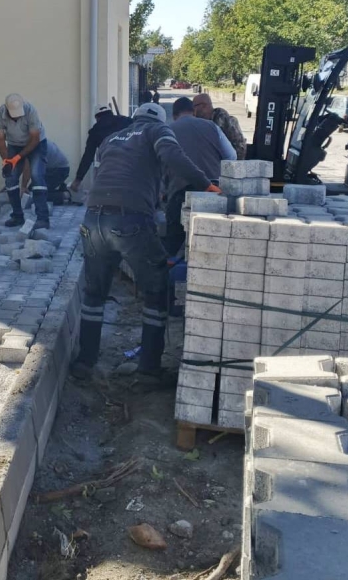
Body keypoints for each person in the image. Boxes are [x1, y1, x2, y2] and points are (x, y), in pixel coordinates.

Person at [70, 103, 221, 382]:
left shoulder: (111, 138)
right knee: (157, 287)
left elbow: (123, 172)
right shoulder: (157, 131)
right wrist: (208, 185)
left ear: (134, 118)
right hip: (130, 220)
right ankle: (149, 369)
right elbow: (173, 156)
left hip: (92, 220)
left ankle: (85, 362)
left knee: (94, 293)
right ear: (159, 120)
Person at [163, 97, 237, 255]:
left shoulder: (167, 131)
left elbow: (160, 164)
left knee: (174, 244)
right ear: (193, 111)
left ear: (174, 115)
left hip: (179, 193)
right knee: (209, 243)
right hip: (212, 190)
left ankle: (172, 267)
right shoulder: (212, 127)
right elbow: (231, 156)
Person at [0, 93, 50, 229]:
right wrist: (6, 161)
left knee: (37, 176)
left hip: (36, 144)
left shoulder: (31, 111)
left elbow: (34, 139)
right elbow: (1, 141)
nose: (16, 116)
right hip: (14, 144)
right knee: (10, 178)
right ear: (6, 109)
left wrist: (17, 158)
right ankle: (17, 216)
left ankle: (43, 219)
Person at [70, 105, 133, 193]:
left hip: (110, 166)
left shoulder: (95, 131)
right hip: (131, 163)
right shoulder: (126, 121)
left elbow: (88, 156)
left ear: (97, 118)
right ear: (111, 113)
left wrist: (78, 179)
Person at [193, 92, 247, 160]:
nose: (192, 110)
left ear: (203, 106)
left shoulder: (220, 121)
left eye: (194, 106)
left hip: (229, 162)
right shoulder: (207, 120)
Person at [21, 140, 70, 205]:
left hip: (60, 170)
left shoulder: (30, 145)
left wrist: (23, 187)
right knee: (31, 190)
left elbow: (27, 169)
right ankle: (62, 188)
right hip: (53, 168)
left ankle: (64, 195)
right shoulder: (35, 139)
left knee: (36, 193)